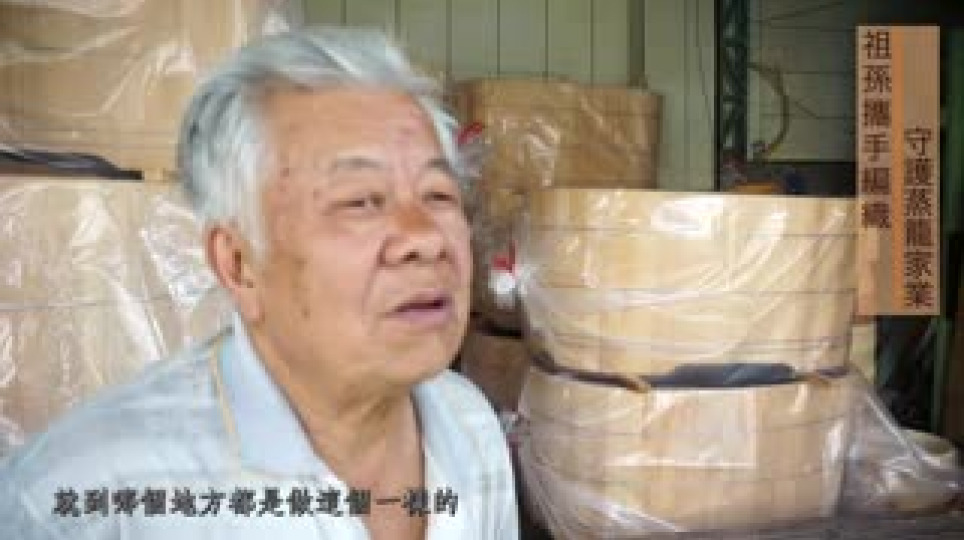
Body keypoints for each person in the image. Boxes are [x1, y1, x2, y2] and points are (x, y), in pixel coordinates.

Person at [0, 27, 519, 539]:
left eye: (438, 195)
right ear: (239, 264)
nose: (425, 239)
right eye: (360, 201)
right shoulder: (87, 497)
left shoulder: (470, 428)